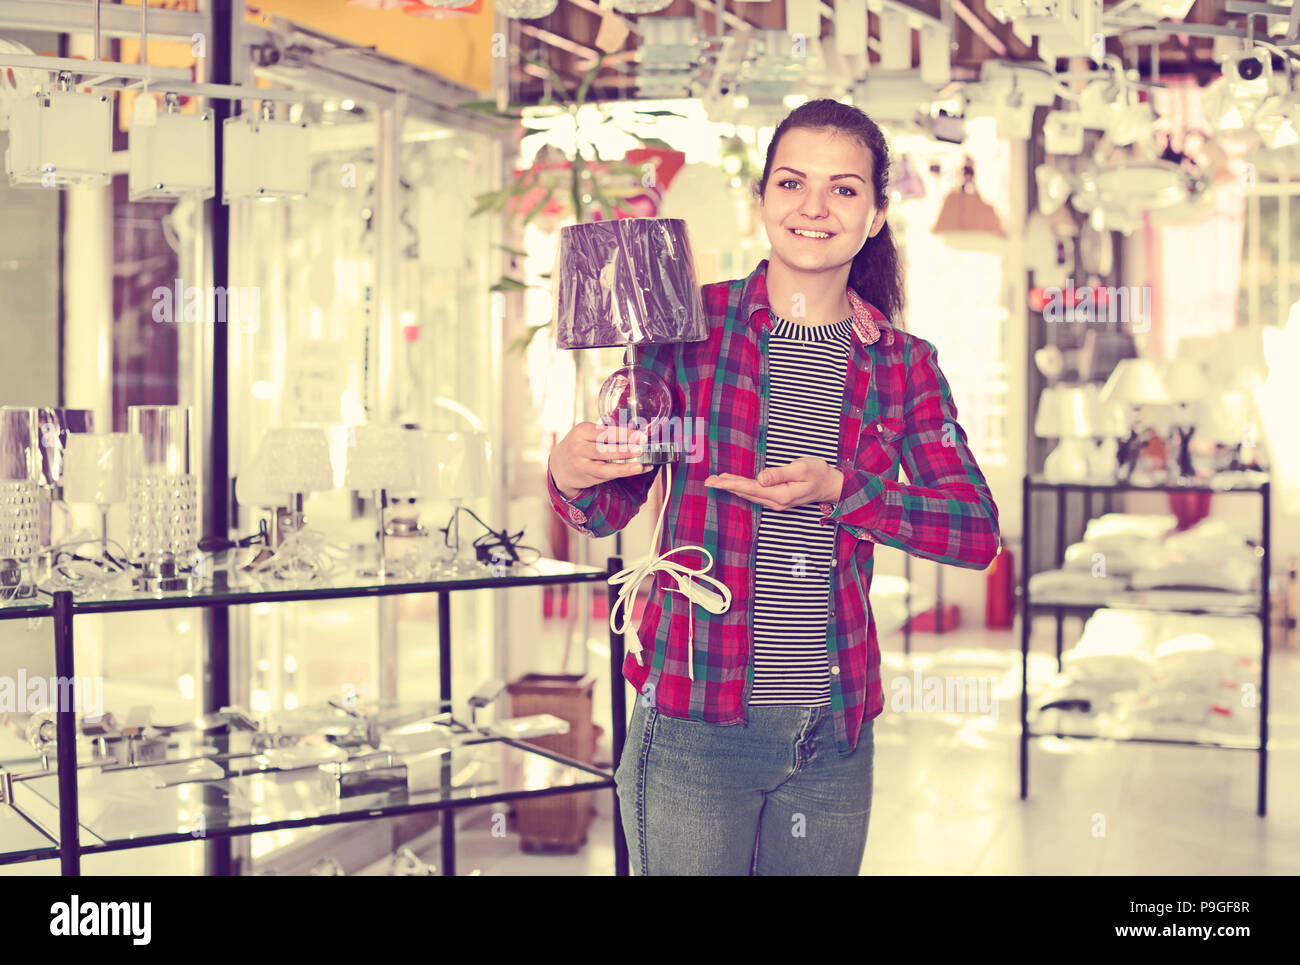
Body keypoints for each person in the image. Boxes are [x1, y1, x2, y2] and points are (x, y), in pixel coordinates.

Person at [545, 99, 1001, 875]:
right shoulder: (686, 332)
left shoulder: (905, 364)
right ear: (762, 200)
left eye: (845, 189)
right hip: (693, 723)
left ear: (877, 215)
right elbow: (609, 505)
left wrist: (844, 489)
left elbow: (974, 531)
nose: (814, 207)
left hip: (833, 730)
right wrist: (569, 471)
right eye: (791, 183)